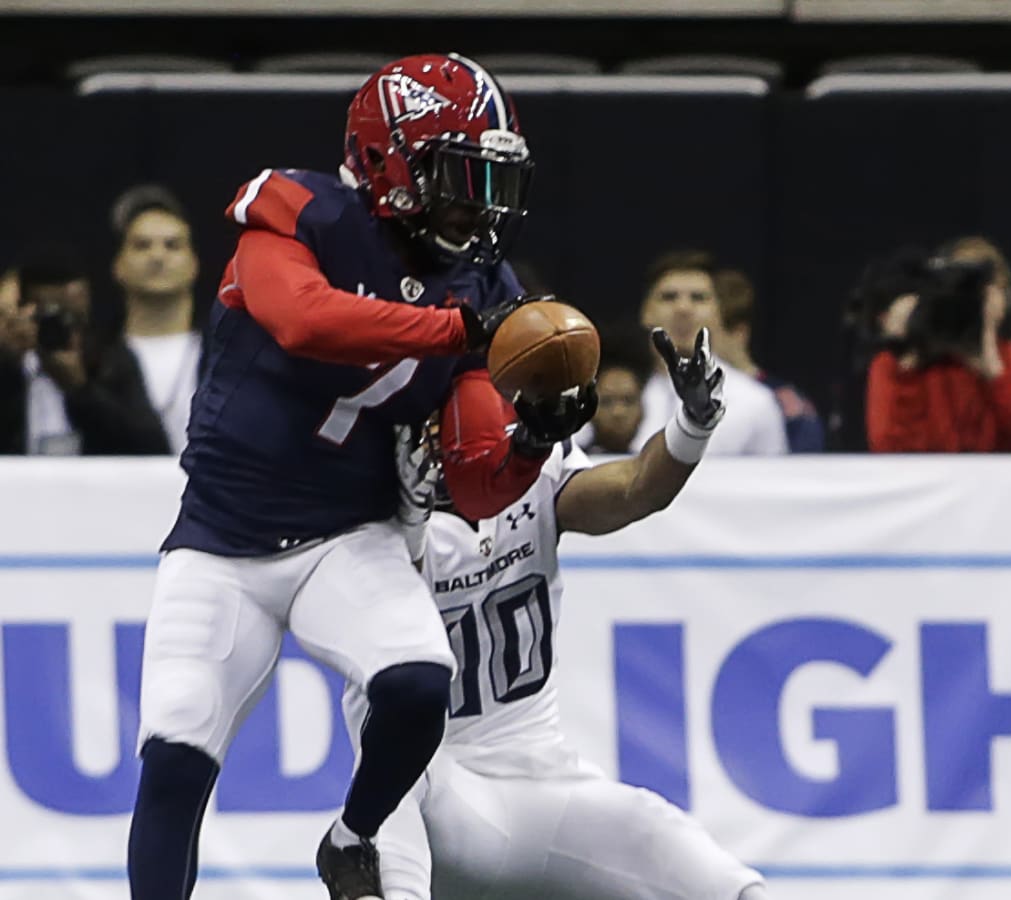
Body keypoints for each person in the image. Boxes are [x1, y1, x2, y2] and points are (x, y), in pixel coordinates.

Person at [128, 53, 597, 900]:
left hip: (350, 529)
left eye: (493, 179)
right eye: (461, 176)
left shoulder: (484, 283)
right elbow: (303, 320)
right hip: (224, 539)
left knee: (420, 682)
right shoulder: (305, 212)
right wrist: (455, 328)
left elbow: (480, 488)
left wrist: (529, 441)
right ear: (391, 163)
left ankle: (352, 837)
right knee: (177, 749)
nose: (480, 204)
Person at [344, 325, 765, 900]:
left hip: (540, 774)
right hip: (438, 791)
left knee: (678, 849)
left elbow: (635, 490)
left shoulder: (535, 473)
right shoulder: (368, 505)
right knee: (394, 771)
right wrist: (412, 525)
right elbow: (389, 610)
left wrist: (691, 426)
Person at [864, 244, 1011, 452]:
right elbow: (887, 450)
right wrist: (907, 361)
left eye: (977, 293)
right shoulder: (893, 367)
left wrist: (994, 372)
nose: (964, 303)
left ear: (1005, 300)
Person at [0, 251, 169, 455]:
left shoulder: (109, 360)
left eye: (70, 319)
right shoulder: (11, 360)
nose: (59, 329)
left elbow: (152, 447)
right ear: (23, 311)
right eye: (47, 318)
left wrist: (80, 389)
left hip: (92, 483)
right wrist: (8, 364)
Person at [635, 250, 787, 455]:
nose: (683, 308)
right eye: (668, 297)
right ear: (646, 312)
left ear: (719, 312)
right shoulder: (614, 397)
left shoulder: (755, 402)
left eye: (698, 298)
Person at [111, 183, 204, 454]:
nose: (157, 256)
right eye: (142, 245)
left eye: (172, 245)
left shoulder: (226, 356)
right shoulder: (96, 360)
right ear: (118, 264)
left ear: (194, 263)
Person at [712, 266, 824, 452]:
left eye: (703, 333)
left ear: (739, 333)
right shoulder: (662, 394)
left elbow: (804, 473)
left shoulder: (787, 405)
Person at [577, 324, 654, 454]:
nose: (618, 413)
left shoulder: (655, 468)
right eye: (607, 402)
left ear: (642, 410)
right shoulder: (570, 465)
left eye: (628, 401)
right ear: (589, 411)